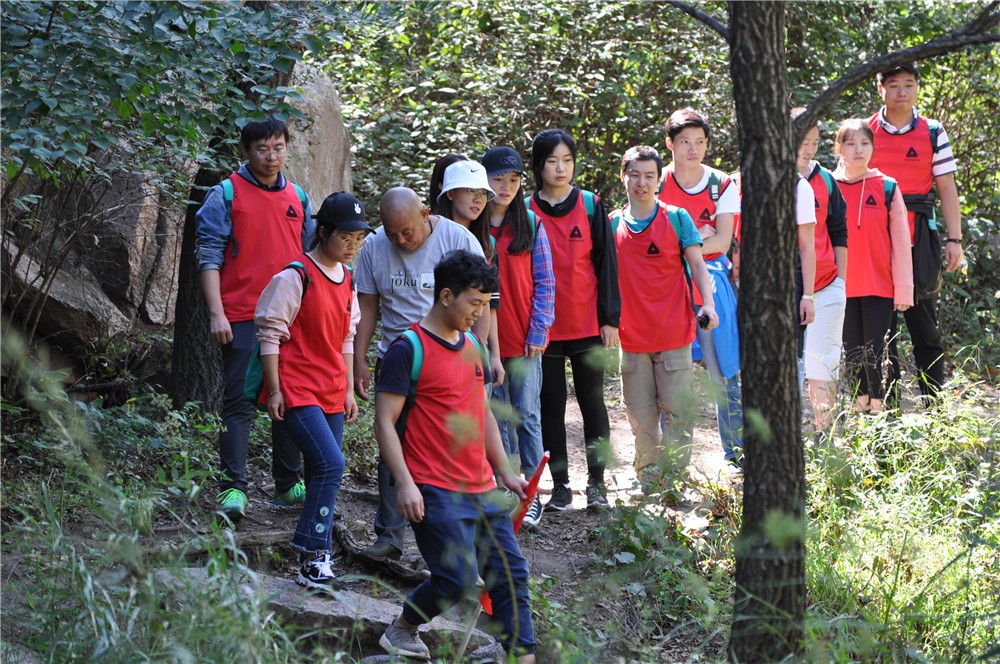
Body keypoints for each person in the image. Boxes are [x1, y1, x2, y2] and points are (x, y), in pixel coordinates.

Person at [375, 250, 536, 663]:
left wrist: (506, 473)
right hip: (433, 488)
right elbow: (384, 422)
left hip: (481, 487)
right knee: (457, 579)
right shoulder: (407, 349)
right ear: (446, 295)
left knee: (511, 574)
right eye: (474, 303)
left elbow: (482, 414)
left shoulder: (474, 347)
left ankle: (521, 656)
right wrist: (405, 483)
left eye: (485, 304)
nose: (480, 313)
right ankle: (403, 627)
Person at [353, 187, 485, 562]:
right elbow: (367, 306)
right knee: (390, 441)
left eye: (406, 231)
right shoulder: (375, 247)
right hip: (397, 357)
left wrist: (479, 351)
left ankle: (457, 542)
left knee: (453, 445)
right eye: (391, 232)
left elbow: (482, 301)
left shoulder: (458, 240)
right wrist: (359, 359)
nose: (399, 240)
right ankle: (389, 536)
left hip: (449, 358)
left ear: (425, 214)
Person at [194, 116, 313, 520]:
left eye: (278, 148)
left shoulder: (299, 197)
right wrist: (217, 313)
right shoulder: (225, 194)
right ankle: (232, 489)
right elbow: (209, 255)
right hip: (243, 314)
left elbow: (311, 259)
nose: (271, 156)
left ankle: (287, 485)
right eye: (262, 149)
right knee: (239, 402)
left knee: (289, 399)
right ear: (246, 151)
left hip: (291, 318)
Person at [253, 192, 370, 590]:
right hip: (298, 386)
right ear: (323, 232)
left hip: (332, 388)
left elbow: (347, 336)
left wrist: (349, 389)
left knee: (324, 470)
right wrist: (274, 390)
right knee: (331, 464)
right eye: (345, 237)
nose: (352, 245)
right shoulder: (295, 275)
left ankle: (316, 556)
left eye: (358, 238)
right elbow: (270, 334)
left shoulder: (348, 278)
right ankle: (313, 555)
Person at [609, 146, 718, 492]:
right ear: (623, 177)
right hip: (631, 338)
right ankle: (647, 480)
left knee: (678, 415)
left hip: (673, 335)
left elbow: (697, 265)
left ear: (659, 180)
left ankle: (674, 482)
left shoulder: (677, 218)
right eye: (635, 175)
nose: (641, 183)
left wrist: (708, 305)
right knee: (640, 415)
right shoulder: (612, 224)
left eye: (649, 176)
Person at [527, 128, 620, 510]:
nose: (560, 168)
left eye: (567, 160)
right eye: (552, 161)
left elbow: (607, 265)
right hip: (544, 329)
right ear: (539, 166)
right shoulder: (526, 210)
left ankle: (597, 484)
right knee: (550, 407)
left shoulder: (591, 205)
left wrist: (610, 318)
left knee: (592, 403)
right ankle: (560, 486)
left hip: (587, 325)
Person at [868, 62, 963, 400]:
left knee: (926, 329)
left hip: (919, 238)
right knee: (881, 333)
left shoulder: (933, 131)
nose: (902, 91)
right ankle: (887, 412)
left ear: (918, 88)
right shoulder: (865, 131)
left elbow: (947, 188)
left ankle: (934, 407)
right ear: (881, 89)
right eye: (894, 84)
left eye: (909, 84)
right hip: (875, 243)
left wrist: (955, 239)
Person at [656, 107, 744, 470]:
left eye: (700, 141)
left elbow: (723, 241)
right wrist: (696, 238)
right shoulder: (657, 181)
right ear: (670, 144)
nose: (693, 149)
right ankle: (673, 461)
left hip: (712, 282)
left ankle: (737, 455)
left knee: (724, 372)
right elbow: (648, 239)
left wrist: (678, 242)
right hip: (666, 285)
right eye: (684, 142)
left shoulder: (721, 183)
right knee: (671, 376)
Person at [482, 145, 555, 527]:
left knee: (526, 415)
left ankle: (533, 490)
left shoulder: (530, 223)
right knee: (497, 418)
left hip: (524, 340)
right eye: (498, 178)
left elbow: (545, 283)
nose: (506, 186)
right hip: (485, 342)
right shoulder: (474, 223)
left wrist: (539, 329)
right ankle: (506, 488)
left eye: (513, 179)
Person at [833, 119, 913, 413]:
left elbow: (901, 244)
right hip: (840, 287)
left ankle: (883, 415)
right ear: (839, 148)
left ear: (873, 147)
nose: (858, 150)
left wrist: (904, 290)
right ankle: (860, 412)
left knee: (878, 353)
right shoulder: (827, 186)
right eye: (851, 144)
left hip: (880, 286)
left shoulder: (887, 186)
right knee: (852, 354)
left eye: (865, 143)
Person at [793, 108, 849, 433]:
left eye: (815, 142)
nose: (809, 149)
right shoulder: (762, 178)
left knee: (823, 365)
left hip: (825, 286)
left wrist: (840, 280)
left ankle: (822, 436)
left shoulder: (825, 179)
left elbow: (839, 229)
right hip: (783, 287)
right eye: (803, 141)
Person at [437, 160, 505, 386]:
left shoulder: (486, 244)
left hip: (470, 350)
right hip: (433, 346)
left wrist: (489, 353)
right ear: (449, 194)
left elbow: (489, 304)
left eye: (483, 193)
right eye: (470, 191)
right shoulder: (431, 237)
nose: (478, 199)